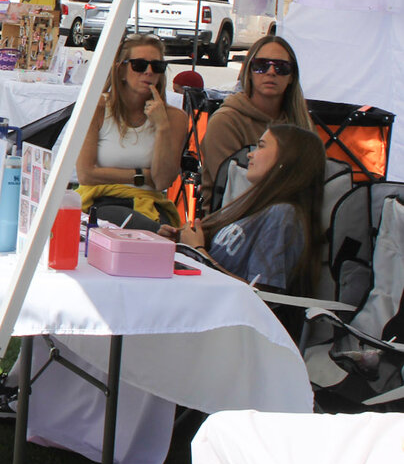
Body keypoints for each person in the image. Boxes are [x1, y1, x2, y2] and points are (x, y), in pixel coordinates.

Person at [162, 123, 325, 294]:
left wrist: (197, 251)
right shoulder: (256, 207)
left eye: (260, 146)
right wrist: (183, 240)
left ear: (287, 158)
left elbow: (262, 295)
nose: (249, 154)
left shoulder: (282, 215)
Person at [75, 33, 188, 229]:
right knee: (153, 231)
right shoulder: (97, 108)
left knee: (158, 230)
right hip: (102, 201)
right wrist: (140, 175)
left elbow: (162, 181)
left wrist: (162, 127)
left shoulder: (174, 118)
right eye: (139, 65)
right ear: (121, 71)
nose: (149, 72)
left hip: (150, 205)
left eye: (157, 67)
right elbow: (85, 174)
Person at [198, 34, 313, 211]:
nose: (271, 72)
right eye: (261, 66)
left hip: (288, 219)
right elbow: (231, 186)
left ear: (291, 77)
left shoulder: (300, 122)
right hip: (230, 220)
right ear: (249, 72)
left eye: (281, 67)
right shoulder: (226, 121)